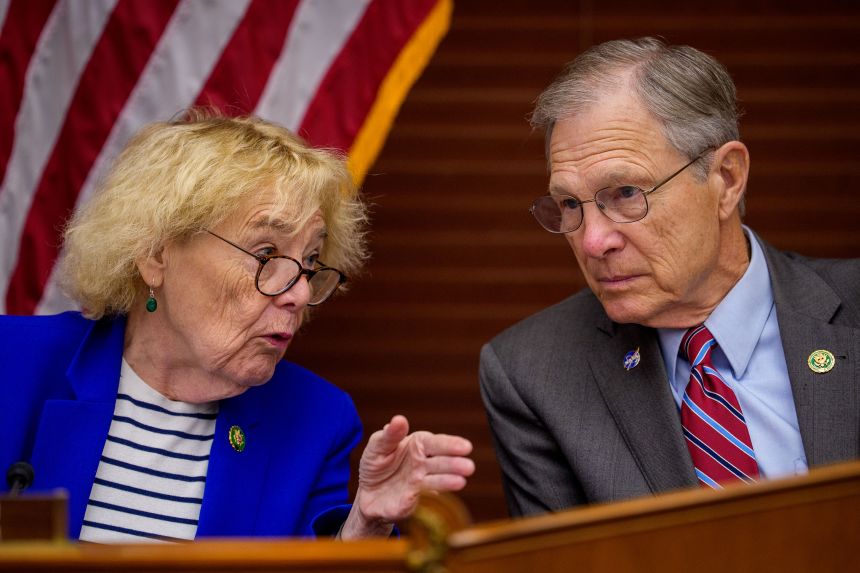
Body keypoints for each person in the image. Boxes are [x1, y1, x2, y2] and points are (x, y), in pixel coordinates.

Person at [0, 111, 475, 542]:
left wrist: (365, 525)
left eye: (310, 261)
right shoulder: (13, 364)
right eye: (266, 255)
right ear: (155, 254)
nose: (301, 292)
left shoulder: (315, 421)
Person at [479, 37, 860, 518]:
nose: (594, 242)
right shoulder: (535, 373)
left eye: (624, 193)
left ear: (726, 178)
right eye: (571, 204)